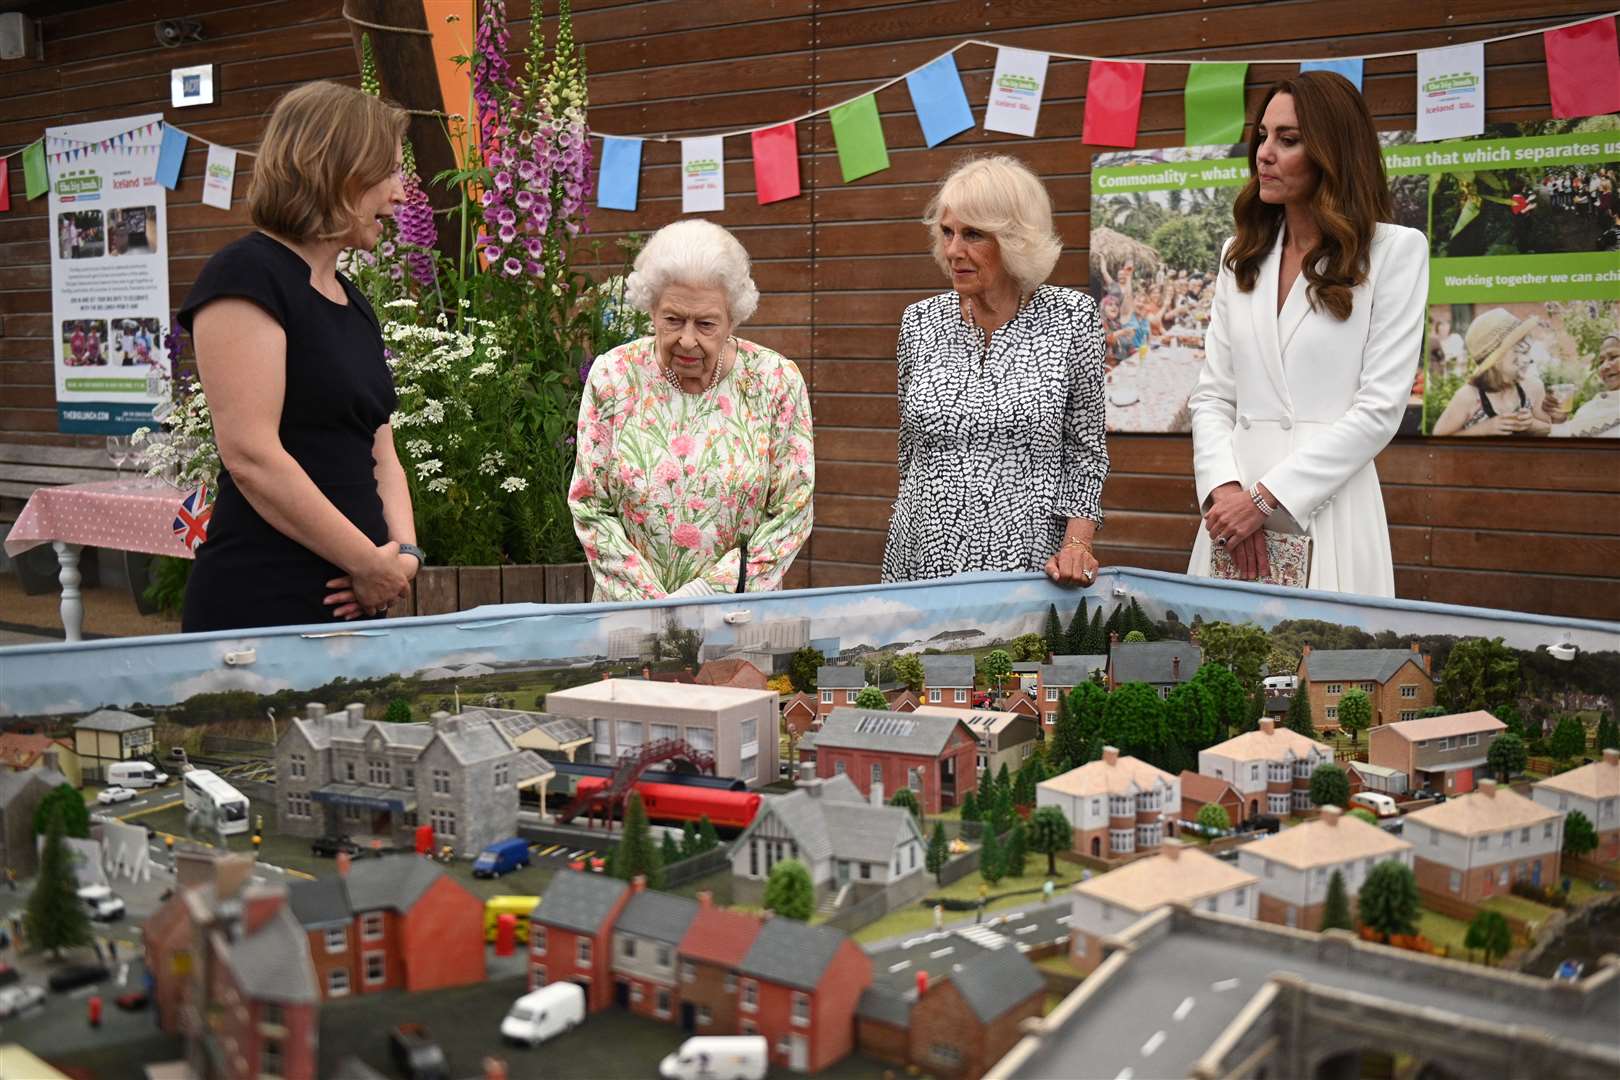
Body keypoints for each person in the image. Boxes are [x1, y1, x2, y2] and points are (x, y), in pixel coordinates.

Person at [176, 81, 420, 631]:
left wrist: (401, 556)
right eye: (388, 174)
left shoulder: (352, 298)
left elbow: (382, 452)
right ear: (336, 171)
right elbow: (251, 456)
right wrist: (366, 562)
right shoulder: (246, 276)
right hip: (266, 598)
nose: (400, 195)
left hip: (364, 598)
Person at [1189, 71, 1428, 597]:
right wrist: (1225, 491)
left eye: (1288, 140)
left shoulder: (1394, 251)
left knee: (1326, 670)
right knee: (1223, 665)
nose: (1265, 154)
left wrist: (1267, 499)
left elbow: (1379, 409)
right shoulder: (1240, 254)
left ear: (1333, 152)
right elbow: (1212, 396)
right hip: (1230, 517)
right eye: (1264, 136)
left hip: (1328, 505)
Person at [881, 155, 1107, 586]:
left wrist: (1077, 543)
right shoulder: (919, 323)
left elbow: (1086, 452)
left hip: (1028, 564)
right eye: (947, 232)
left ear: (1015, 238)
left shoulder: (1072, 317)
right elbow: (909, 454)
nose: (952, 251)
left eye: (973, 235)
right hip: (919, 562)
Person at [568, 219, 814, 601]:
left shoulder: (775, 380)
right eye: (673, 319)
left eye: (705, 324)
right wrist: (653, 606)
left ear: (733, 317)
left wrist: (708, 592)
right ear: (651, 309)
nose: (687, 338)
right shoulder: (614, 376)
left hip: (738, 614)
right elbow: (590, 504)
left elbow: (793, 510)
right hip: (629, 616)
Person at [1429, 309, 1555, 437]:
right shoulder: (1469, 397)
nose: (1528, 359)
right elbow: (1439, 439)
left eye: (1526, 350)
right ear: (1496, 360)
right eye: (1519, 351)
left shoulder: (1533, 387)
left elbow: (1550, 429)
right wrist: (1482, 430)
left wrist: (1531, 424)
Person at [1552, 334, 1620, 438]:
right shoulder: (1589, 409)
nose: (1604, 366)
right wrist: (1559, 422)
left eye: (1614, 357)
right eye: (1601, 361)